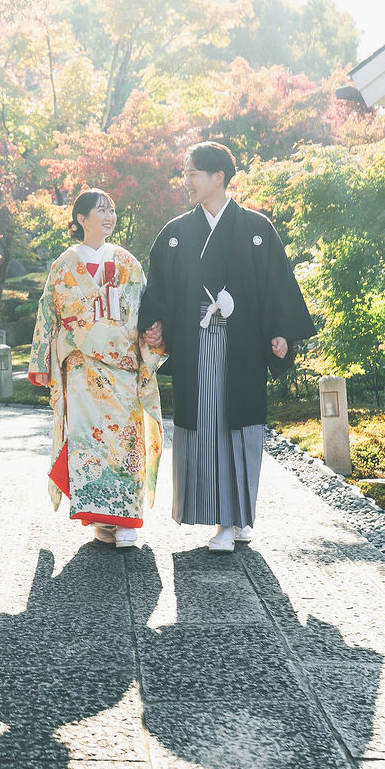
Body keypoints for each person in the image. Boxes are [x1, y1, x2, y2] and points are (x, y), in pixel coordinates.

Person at [140, 142, 316, 551]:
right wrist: (155, 325)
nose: (186, 181)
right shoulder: (176, 233)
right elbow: (159, 289)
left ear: (217, 176)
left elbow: (277, 285)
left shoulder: (257, 228)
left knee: (240, 427)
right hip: (195, 343)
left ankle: (237, 517)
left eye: (192, 173)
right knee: (205, 428)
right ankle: (221, 519)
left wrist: (279, 331)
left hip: (240, 346)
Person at [28, 189, 165, 547]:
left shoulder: (127, 262)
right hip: (81, 371)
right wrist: (42, 360)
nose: (109, 216)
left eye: (113, 210)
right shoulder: (63, 265)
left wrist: (153, 331)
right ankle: (101, 519)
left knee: (125, 439)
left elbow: (142, 307)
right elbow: (49, 313)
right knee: (87, 444)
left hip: (121, 364)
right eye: (101, 210)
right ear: (81, 219)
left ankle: (127, 520)